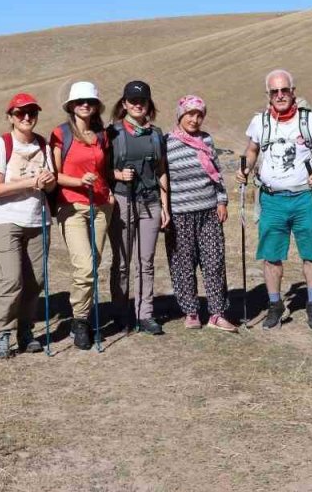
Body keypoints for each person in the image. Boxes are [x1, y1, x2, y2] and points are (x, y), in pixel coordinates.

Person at [236, 70, 312, 332]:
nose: (280, 95)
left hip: (305, 197)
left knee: (311, 253)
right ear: (268, 95)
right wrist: (245, 168)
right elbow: (251, 150)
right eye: (274, 91)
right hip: (271, 199)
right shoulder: (260, 122)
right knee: (271, 256)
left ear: (293, 91)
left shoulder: (310, 120)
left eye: (284, 90)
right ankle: (274, 305)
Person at [0, 93, 57, 358]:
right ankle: (1, 335)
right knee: (12, 280)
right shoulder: (1, 145)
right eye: (20, 113)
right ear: (10, 117)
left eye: (31, 113)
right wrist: (31, 182)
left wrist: (48, 180)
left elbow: (50, 185)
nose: (26, 117)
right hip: (5, 220)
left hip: (38, 219)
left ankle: (26, 332)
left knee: (35, 280)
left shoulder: (43, 144)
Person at [50, 81, 115, 350]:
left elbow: (105, 168)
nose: (85, 105)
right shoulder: (60, 134)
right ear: (72, 106)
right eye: (80, 101)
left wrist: (109, 188)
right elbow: (53, 176)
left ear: (97, 105)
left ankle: (84, 317)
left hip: (101, 206)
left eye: (90, 101)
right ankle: (80, 321)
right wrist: (78, 182)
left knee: (94, 265)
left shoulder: (102, 135)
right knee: (84, 266)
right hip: (71, 206)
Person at [166, 95, 236, 332]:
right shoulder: (167, 142)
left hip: (208, 211)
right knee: (183, 263)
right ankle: (191, 311)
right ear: (180, 116)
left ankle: (217, 313)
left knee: (214, 261)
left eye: (199, 115)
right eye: (190, 114)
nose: (195, 120)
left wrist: (222, 201)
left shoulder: (207, 140)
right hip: (180, 213)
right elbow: (162, 180)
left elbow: (216, 172)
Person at [107, 80, 170, 335]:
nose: (137, 105)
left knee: (146, 261)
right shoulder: (112, 133)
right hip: (122, 200)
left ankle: (145, 314)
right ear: (124, 104)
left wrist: (166, 206)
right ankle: (121, 313)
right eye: (132, 100)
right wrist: (118, 176)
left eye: (142, 100)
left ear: (148, 104)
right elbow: (101, 170)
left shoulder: (156, 135)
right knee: (122, 261)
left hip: (151, 201)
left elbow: (161, 170)